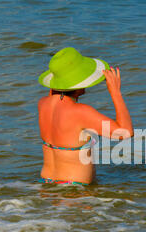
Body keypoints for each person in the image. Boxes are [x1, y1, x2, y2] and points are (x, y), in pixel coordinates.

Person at [37, 47, 133, 185]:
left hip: (47, 184)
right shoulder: (81, 112)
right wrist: (115, 92)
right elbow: (125, 132)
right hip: (75, 195)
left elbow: (55, 92)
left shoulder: (43, 104)